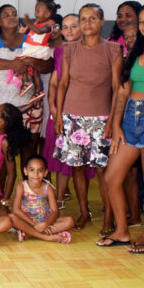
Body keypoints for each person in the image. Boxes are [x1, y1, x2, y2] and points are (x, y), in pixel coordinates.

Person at [96, 1, 144, 252]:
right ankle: (122, 232)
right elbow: (122, 93)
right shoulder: (133, 53)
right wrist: (116, 126)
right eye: (143, 21)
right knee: (111, 177)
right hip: (129, 120)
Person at [53, 3, 123, 231]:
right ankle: (84, 212)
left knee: (104, 171)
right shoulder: (70, 49)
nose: (87, 23)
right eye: (84, 19)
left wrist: (112, 121)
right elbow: (63, 84)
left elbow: (116, 88)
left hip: (101, 119)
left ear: (102, 22)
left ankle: (108, 217)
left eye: (93, 18)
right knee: (77, 168)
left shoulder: (113, 50)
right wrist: (59, 116)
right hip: (73, 118)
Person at [0, 4, 53, 163]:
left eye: (14, 14)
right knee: (0, 156)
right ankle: (0, 189)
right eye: (6, 15)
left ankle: (28, 187)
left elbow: (48, 66)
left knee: (29, 153)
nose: (12, 17)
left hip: (29, 107)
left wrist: (32, 61)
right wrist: (13, 64)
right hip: (0, 110)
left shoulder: (29, 38)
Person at [42, 13, 90, 207]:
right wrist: (53, 108)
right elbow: (54, 83)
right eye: (65, 27)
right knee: (60, 159)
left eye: (74, 26)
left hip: (81, 112)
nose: (69, 31)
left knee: (79, 161)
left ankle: (82, 204)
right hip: (60, 113)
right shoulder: (60, 51)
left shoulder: (90, 51)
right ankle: (59, 198)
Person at [9, 155, 74, 243]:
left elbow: (55, 211)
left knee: (70, 221)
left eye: (40, 170)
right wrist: (35, 224)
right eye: (32, 170)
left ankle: (29, 233)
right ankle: (45, 236)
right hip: (27, 221)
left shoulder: (48, 188)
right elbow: (16, 210)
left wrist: (45, 224)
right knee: (11, 217)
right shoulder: (21, 186)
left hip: (44, 220)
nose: (35, 174)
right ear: (25, 171)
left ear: (46, 172)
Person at [14, 0, 60, 101]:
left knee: (22, 61)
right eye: (35, 11)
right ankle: (38, 90)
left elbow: (39, 31)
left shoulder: (49, 25)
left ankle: (26, 82)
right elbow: (30, 31)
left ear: (48, 14)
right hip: (32, 49)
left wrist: (28, 23)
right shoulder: (36, 22)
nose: (35, 14)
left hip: (38, 50)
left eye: (38, 11)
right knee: (34, 71)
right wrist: (24, 30)